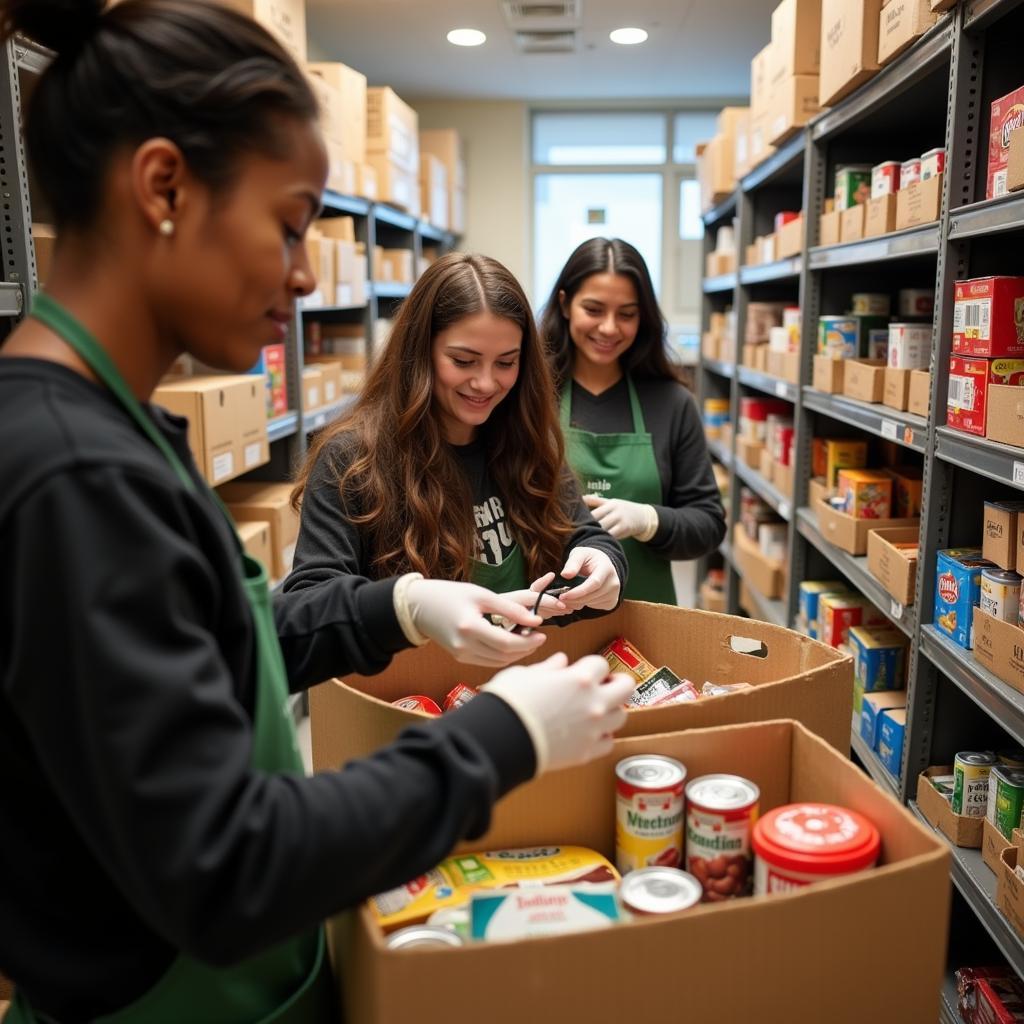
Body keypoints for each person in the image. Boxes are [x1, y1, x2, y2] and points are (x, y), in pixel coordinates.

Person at [0, 3, 635, 1020]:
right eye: (290, 225)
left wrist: (403, 607)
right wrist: (501, 737)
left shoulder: (108, 435)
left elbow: (223, 650)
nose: (304, 276)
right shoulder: (75, 478)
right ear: (164, 186)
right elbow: (226, 866)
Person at [286, 252, 628, 625]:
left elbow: (584, 533)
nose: (485, 383)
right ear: (421, 353)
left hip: (523, 676)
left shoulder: (526, 442)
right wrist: (412, 610)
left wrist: (605, 561)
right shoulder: (351, 460)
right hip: (410, 681)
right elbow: (309, 604)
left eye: (505, 362)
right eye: (464, 361)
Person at [539, 237, 726, 605]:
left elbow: (708, 524)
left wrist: (648, 520)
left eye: (626, 314)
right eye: (593, 309)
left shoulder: (672, 403)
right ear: (564, 304)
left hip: (643, 616)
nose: (609, 328)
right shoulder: (530, 394)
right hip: (546, 609)